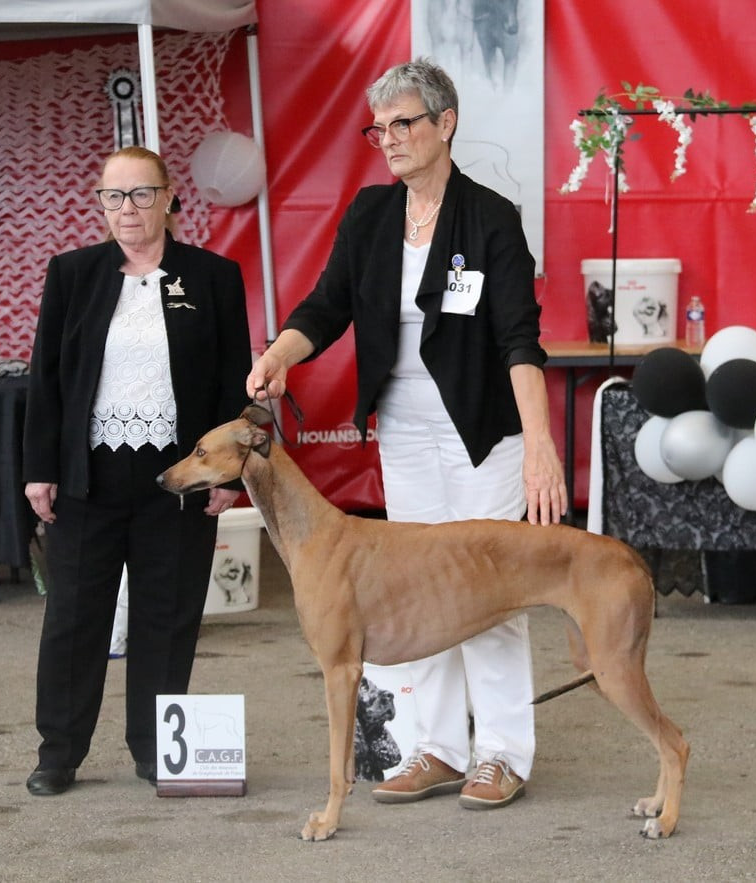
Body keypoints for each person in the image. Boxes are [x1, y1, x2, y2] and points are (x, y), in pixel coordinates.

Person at [246, 58, 566, 810]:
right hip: (407, 433)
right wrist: (278, 355)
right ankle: (439, 745)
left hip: (484, 433)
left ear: (445, 124)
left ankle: (503, 753)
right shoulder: (370, 215)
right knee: (420, 591)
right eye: (378, 127)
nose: (387, 139)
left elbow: (521, 339)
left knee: (490, 590)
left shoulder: (490, 219)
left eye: (403, 123)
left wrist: (541, 445)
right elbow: (327, 308)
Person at [22, 146, 252, 796]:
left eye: (141, 194)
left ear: (170, 196)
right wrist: (40, 467)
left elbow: (233, 382)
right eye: (113, 196)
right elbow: (45, 377)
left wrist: (228, 473)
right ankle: (58, 752)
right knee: (74, 615)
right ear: (99, 202)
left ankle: (157, 748)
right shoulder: (72, 274)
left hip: (178, 478)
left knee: (167, 611)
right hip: (87, 476)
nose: (127, 209)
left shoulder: (212, 276)